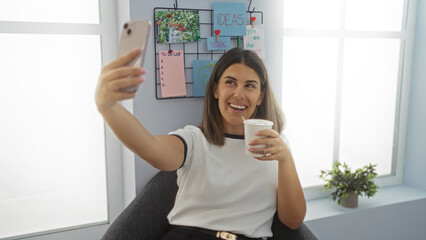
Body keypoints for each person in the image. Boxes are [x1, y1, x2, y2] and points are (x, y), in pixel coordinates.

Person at [95, 47, 306, 240]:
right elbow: (152, 149)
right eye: (230, 82)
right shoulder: (194, 139)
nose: (239, 94)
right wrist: (107, 106)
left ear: (260, 97)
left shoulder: (278, 147)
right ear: (215, 90)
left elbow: (292, 221)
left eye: (249, 86)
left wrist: (285, 158)